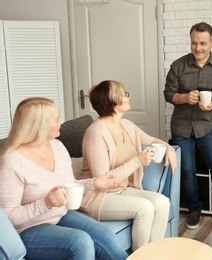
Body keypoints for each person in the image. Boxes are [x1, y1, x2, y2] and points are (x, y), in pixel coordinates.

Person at [0, 97, 128, 260]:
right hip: (26, 230)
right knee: (80, 242)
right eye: (56, 118)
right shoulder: (11, 162)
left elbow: (69, 186)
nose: (62, 121)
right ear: (40, 126)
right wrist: (45, 203)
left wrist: (93, 183)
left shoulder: (57, 147)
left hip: (58, 215)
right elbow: (7, 218)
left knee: (105, 233)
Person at [80, 80, 177, 252]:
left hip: (122, 190)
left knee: (162, 202)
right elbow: (104, 180)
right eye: (125, 94)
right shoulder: (96, 133)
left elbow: (153, 140)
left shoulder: (126, 125)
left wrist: (170, 149)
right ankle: (140, 256)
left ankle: (153, 255)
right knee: (145, 208)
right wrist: (137, 161)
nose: (128, 96)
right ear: (114, 102)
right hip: (99, 197)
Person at [164, 22, 212, 236]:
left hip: (208, 127)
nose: (198, 48)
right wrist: (184, 97)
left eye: (203, 43)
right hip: (182, 127)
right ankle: (194, 210)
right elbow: (168, 94)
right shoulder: (178, 65)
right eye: (194, 43)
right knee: (186, 170)